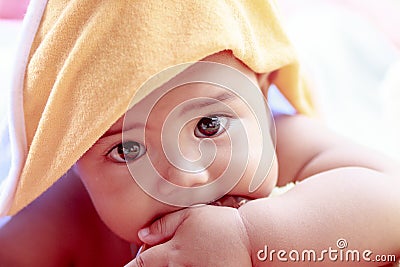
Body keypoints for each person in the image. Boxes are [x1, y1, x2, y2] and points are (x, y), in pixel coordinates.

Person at [0, 1, 399, 266]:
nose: (185, 172)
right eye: (128, 149)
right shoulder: (65, 216)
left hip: (338, 65)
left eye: (208, 126)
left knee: (343, 46)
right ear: (72, 160)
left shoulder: (286, 143)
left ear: (259, 93)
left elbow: (391, 202)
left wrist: (249, 240)